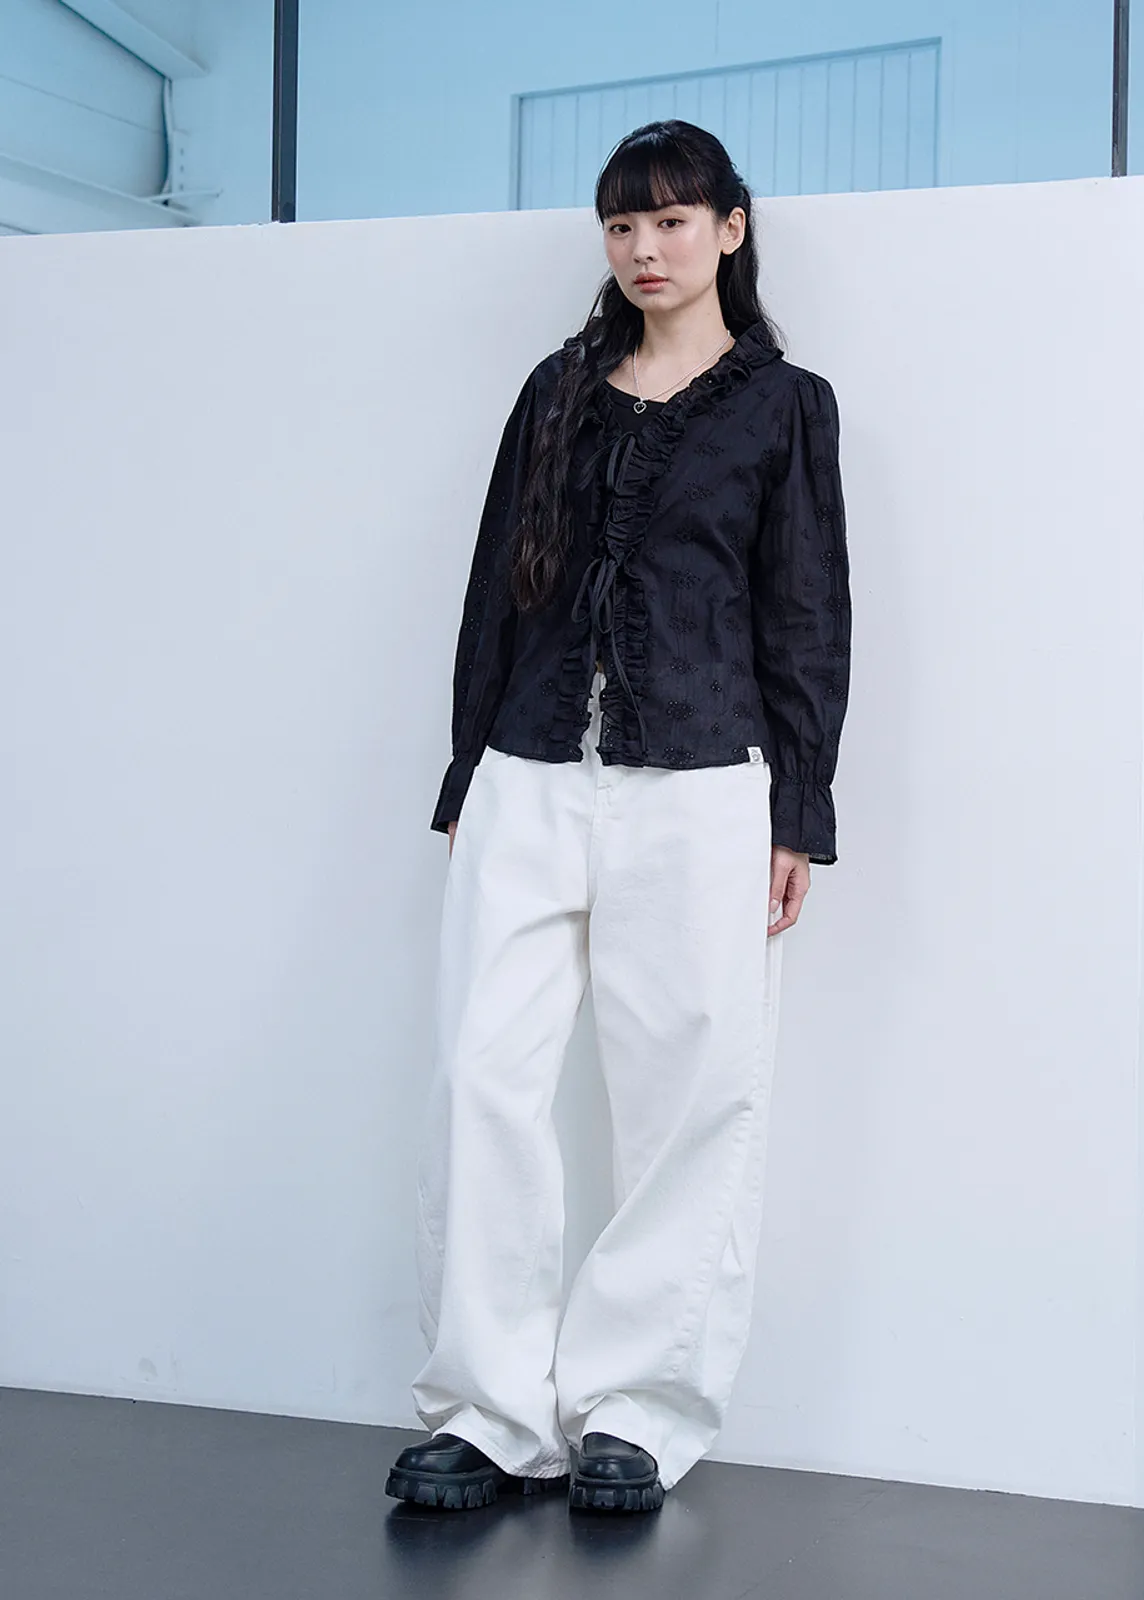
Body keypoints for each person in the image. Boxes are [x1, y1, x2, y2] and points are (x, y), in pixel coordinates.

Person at [385, 119, 850, 1515]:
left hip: (704, 782)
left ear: (730, 229)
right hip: (528, 769)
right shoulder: (557, 391)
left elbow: (806, 614)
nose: (645, 248)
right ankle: (488, 1411)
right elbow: (495, 587)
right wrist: (467, 773)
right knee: (481, 1080)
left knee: (691, 1097)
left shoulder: (785, 407)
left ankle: (637, 1411)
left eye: (671, 220)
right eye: (622, 226)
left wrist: (800, 808)